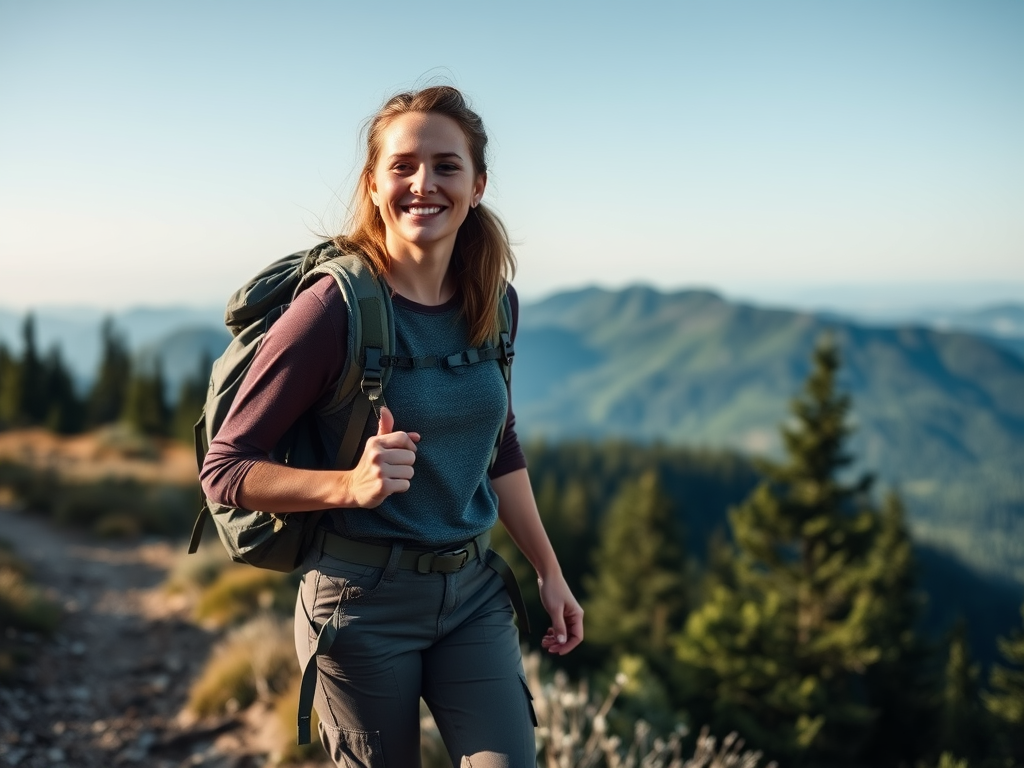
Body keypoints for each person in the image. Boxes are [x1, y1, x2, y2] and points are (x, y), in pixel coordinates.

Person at [200, 85, 583, 767]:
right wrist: (348, 486)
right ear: (373, 184)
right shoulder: (332, 310)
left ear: (478, 184)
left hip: (472, 596)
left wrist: (549, 571)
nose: (423, 184)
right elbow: (226, 469)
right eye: (402, 166)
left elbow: (502, 446)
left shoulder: (495, 302)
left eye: (445, 165)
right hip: (358, 606)